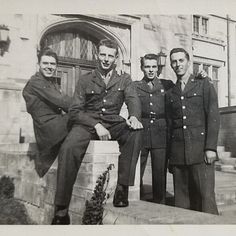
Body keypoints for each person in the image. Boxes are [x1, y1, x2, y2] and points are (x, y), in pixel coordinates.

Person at [51, 39, 143, 225]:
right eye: (103, 55)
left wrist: (134, 116)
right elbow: (75, 111)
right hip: (87, 124)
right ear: (96, 55)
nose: (106, 59)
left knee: (135, 132)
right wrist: (95, 125)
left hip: (113, 121)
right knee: (68, 148)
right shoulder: (85, 79)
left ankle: (122, 188)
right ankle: (61, 209)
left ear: (116, 58)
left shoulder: (124, 79)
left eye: (110, 55)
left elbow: (133, 99)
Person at [166, 47, 220, 214]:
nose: (178, 65)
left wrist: (210, 148)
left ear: (188, 62)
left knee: (206, 199)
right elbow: (170, 125)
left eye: (181, 60)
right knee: (182, 202)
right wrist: (170, 156)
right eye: (174, 61)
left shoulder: (203, 85)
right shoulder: (170, 92)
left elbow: (213, 117)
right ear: (171, 65)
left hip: (200, 153)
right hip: (178, 154)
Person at [23, 48, 72, 177]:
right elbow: (62, 101)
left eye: (52, 64)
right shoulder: (36, 82)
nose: (49, 67)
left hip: (54, 125)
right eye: (45, 63)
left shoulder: (50, 82)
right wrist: (83, 107)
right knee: (81, 117)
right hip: (48, 130)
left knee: (82, 117)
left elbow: (63, 102)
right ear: (38, 64)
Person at [134, 54, 174, 204]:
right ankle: (136, 199)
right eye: (147, 67)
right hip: (142, 130)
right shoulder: (135, 85)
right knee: (138, 168)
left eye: (154, 67)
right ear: (142, 68)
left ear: (158, 68)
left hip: (160, 131)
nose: (151, 70)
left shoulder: (167, 84)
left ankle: (160, 201)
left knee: (159, 171)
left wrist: (200, 77)